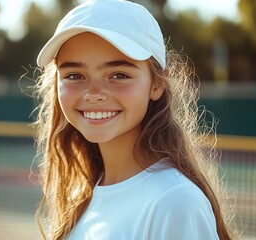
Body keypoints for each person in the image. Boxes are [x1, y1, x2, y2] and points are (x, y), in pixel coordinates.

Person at [32, 0, 237, 239]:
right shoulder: (83, 193)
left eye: (119, 75)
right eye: (75, 75)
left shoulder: (175, 202)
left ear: (157, 83)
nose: (94, 94)